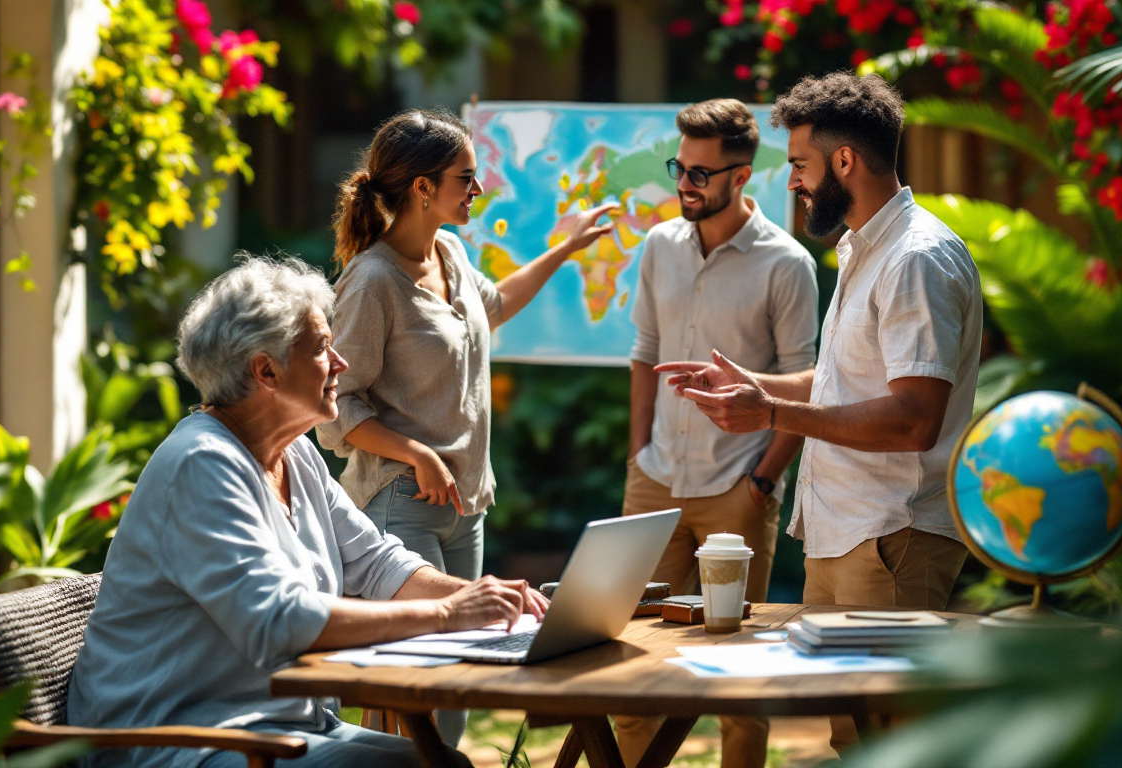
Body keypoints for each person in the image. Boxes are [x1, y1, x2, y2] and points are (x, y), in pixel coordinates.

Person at [68, 257, 548, 768]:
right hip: (179, 741)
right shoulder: (202, 464)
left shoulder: (293, 453)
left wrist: (490, 600)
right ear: (265, 370)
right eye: (321, 347)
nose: (340, 362)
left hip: (277, 726)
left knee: (446, 764)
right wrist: (449, 615)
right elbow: (280, 621)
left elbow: (378, 562)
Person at [657, 72, 982, 755]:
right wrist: (755, 383)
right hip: (846, 536)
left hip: (893, 537)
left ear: (844, 162)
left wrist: (769, 412)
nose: (793, 182)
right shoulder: (865, 247)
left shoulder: (915, 258)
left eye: (800, 165)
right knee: (853, 741)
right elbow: (845, 381)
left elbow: (913, 418)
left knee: (894, 746)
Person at [314, 108, 615, 746]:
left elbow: (495, 303)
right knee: (411, 688)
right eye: (465, 178)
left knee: (457, 685)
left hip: (466, 504)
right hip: (401, 503)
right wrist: (415, 451)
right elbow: (336, 407)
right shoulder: (370, 282)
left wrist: (564, 247)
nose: (477, 191)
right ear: (422, 186)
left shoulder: (449, 252)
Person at [614, 98, 818, 768]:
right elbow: (645, 351)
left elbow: (805, 380)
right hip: (655, 479)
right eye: (681, 167)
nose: (685, 184)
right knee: (630, 657)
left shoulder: (787, 265)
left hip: (738, 487)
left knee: (739, 675)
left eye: (702, 173)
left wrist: (761, 482)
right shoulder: (658, 246)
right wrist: (637, 454)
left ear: (743, 175)